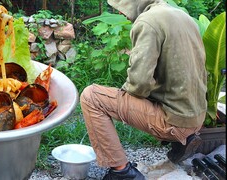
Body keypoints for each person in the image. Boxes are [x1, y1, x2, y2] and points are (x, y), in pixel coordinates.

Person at [79, 0, 207, 179]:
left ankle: (121, 172)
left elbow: (138, 84)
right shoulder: (183, 16)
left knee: (92, 96)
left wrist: (121, 96)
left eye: (121, 7)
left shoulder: (148, 22)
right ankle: (182, 141)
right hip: (196, 116)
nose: (122, 13)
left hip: (174, 121)